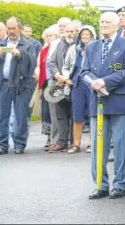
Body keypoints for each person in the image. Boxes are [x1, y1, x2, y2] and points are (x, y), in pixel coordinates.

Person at [81, 11, 125, 200]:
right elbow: (84, 71)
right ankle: (100, 185)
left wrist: (104, 81)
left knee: (122, 146)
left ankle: (120, 185)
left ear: (117, 24)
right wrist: (93, 83)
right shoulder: (92, 46)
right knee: (99, 146)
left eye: (107, 22)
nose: (103, 24)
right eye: (101, 21)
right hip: (98, 101)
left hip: (120, 100)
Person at [0, 17, 37, 155]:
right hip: (3, 84)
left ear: (20, 29)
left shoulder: (28, 44)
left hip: (21, 84)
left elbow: (32, 64)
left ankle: (20, 144)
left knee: (21, 115)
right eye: (9, 28)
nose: (11, 31)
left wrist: (20, 55)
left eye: (14, 28)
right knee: (2, 116)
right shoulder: (0, 44)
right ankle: (1, 145)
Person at [47, 21, 81, 153]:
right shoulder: (60, 44)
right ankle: (61, 142)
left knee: (75, 113)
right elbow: (52, 61)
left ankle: (74, 143)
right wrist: (57, 75)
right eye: (67, 31)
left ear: (77, 32)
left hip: (75, 84)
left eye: (72, 31)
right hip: (60, 83)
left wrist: (69, 79)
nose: (69, 34)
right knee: (60, 113)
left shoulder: (80, 45)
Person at [66, 25, 96, 154]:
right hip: (77, 84)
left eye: (87, 34)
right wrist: (66, 78)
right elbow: (66, 65)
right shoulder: (74, 49)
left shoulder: (97, 48)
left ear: (92, 36)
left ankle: (91, 143)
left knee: (92, 114)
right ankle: (76, 144)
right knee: (77, 114)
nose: (85, 37)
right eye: (83, 34)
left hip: (91, 84)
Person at [35, 25, 59, 147]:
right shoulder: (43, 50)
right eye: (47, 36)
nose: (50, 38)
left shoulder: (58, 48)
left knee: (56, 112)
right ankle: (49, 137)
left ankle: (58, 138)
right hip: (44, 84)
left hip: (56, 83)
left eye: (52, 35)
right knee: (46, 112)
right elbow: (39, 67)